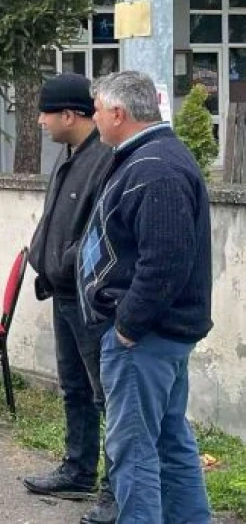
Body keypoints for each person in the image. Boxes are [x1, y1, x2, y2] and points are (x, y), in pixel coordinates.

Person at [77, 70, 214, 524]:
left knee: (133, 451)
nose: (93, 117)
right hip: (157, 337)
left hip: (145, 339)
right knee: (169, 442)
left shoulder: (154, 168)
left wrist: (127, 327)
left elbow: (166, 262)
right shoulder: (146, 156)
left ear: (118, 113)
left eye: (96, 109)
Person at [22, 73, 117, 523]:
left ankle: (116, 492)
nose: (40, 121)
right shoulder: (69, 156)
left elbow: (101, 232)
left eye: (45, 113)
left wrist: (63, 261)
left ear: (69, 114)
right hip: (62, 293)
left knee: (106, 395)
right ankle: (79, 470)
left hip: (89, 300)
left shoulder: (104, 158)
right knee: (75, 388)